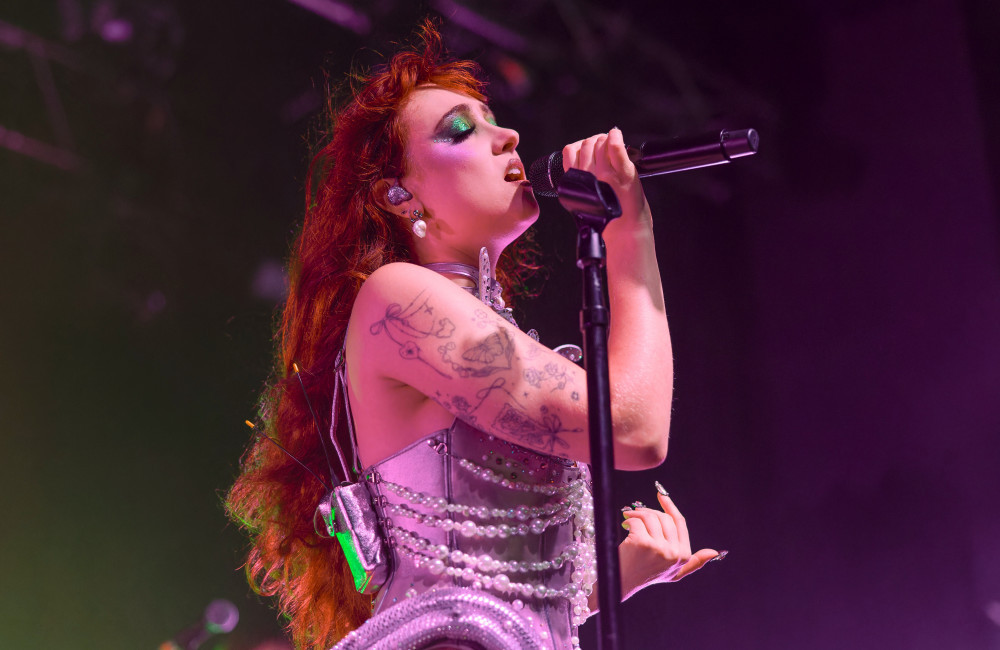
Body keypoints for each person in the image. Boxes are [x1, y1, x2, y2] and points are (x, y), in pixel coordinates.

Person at [227, 20, 721, 650]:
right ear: (400, 195)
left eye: (494, 120)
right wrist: (631, 233)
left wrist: (615, 577)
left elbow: (490, 588)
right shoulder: (398, 298)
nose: (508, 136)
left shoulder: (468, 323)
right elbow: (633, 429)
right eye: (461, 129)